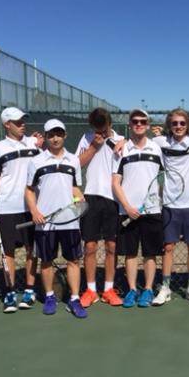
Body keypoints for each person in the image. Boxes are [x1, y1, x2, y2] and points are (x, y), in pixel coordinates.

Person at [25, 119, 87, 318]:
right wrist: (34, 210)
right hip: (45, 223)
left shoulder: (74, 161)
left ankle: (75, 299)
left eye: (59, 134)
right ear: (46, 137)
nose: (55, 138)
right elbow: (28, 190)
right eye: (51, 135)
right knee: (46, 261)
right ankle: (50, 296)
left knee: (74, 260)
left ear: (65, 135)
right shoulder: (36, 161)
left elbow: (75, 187)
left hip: (70, 220)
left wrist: (80, 199)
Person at [149, 109, 189, 306]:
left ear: (188, 124)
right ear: (169, 125)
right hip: (170, 204)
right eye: (174, 123)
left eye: (182, 123)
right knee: (168, 247)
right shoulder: (160, 142)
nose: (178, 126)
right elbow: (139, 142)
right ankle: (165, 287)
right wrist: (124, 142)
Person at [0, 107, 43, 313]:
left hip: (31, 208)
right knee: (8, 252)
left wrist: (40, 144)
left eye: (23, 121)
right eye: (17, 122)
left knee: (32, 250)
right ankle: (10, 292)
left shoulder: (33, 143)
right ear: (6, 124)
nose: (22, 124)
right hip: (6, 207)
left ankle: (29, 290)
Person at [112, 109, 164, 308]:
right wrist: (127, 206)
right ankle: (132, 289)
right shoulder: (121, 150)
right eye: (135, 121)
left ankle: (148, 289)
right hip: (128, 211)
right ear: (130, 124)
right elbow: (115, 182)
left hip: (152, 210)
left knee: (150, 253)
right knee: (130, 253)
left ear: (148, 125)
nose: (139, 124)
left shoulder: (156, 148)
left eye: (143, 121)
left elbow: (164, 175)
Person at [76, 108, 124, 308]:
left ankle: (109, 289)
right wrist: (94, 147)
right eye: (97, 128)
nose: (100, 131)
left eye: (103, 128)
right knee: (90, 246)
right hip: (92, 197)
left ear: (109, 124)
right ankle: (91, 290)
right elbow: (77, 164)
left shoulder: (121, 139)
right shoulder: (87, 138)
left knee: (112, 246)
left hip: (113, 198)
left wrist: (125, 142)